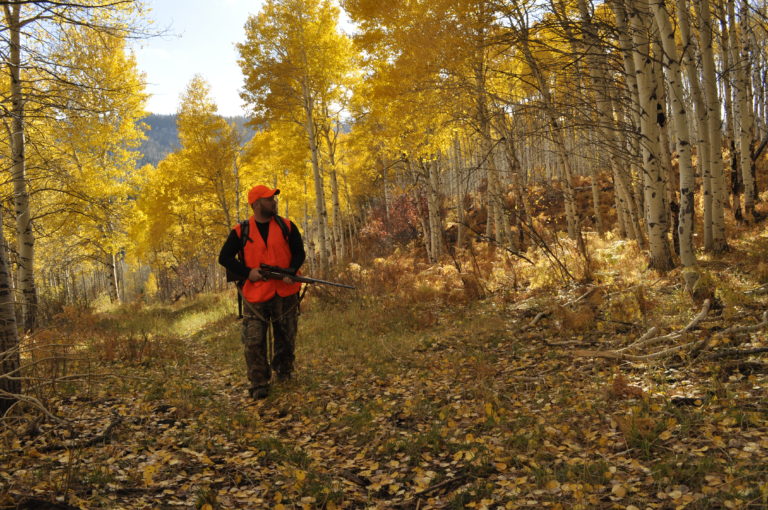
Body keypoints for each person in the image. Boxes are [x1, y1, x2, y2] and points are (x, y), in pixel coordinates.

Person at [218, 185, 306, 400]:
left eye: (273, 199)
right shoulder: (241, 231)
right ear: (256, 204)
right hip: (255, 295)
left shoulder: (287, 226)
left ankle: (284, 373)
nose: (273, 202)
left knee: (286, 337)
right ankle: (258, 383)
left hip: (285, 291)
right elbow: (224, 258)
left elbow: (299, 253)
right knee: (253, 341)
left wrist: (292, 271)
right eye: (269, 199)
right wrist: (248, 273)